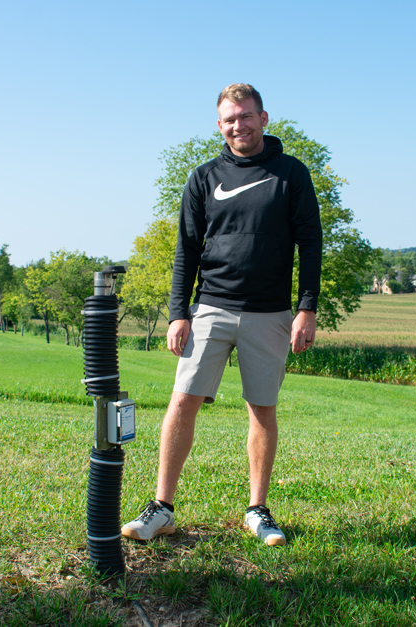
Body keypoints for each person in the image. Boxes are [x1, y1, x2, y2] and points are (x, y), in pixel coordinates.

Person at [121, 83, 322, 547]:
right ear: (219, 125)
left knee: (262, 408)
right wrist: (178, 313)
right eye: (230, 119)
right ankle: (162, 509)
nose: (239, 125)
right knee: (182, 400)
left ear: (264, 118)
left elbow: (310, 244)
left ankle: (257, 511)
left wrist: (307, 308)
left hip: (269, 313)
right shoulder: (203, 177)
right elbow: (186, 250)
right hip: (210, 305)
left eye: (246, 116)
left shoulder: (291, 174)